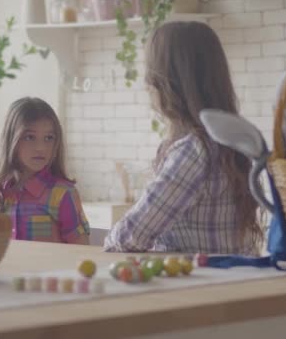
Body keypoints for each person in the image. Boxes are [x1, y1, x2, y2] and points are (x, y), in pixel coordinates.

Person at [104, 21, 262, 255]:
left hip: (201, 285)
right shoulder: (235, 141)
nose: (147, 83)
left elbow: (130, 236)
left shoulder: (194, 151)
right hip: (237, 282)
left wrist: (108, 237)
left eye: (151, 72)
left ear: (168, 82)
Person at [0, 97, 89, 244]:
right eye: (30, 137)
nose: (41, 148)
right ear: (11, 140)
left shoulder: (63, 194)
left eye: (49, 138)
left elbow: (81, 251)